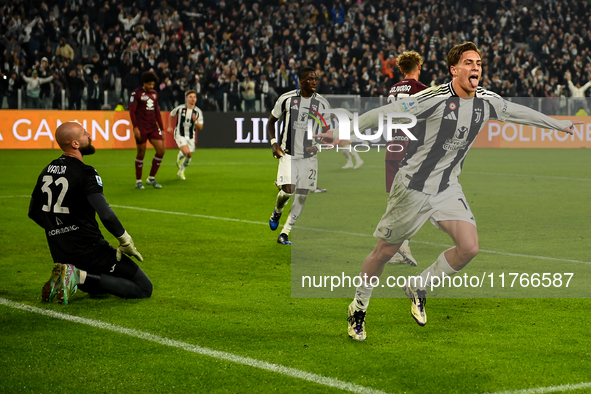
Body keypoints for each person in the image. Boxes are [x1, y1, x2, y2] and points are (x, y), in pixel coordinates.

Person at [319, 42, 574, 340]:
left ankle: (418, 285)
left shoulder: (487, 101)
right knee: (383, 253)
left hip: (447, 188)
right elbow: (385, 112)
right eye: (468, 62)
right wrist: (342, 133)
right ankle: (358, 307)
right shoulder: (433, 98)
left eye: (478, 62)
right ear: (454, 70)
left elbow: (520, 113)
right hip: (412, 187)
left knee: (469, 247)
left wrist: (558, 124)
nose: (475, 67)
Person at [28, 121, 152, 305]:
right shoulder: (86, 173)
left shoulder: (47, 170)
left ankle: (72, 275)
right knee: (144, 288)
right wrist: (125, 240)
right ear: (75, 144)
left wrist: (59, 230)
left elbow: (33, 212)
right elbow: (106, 214)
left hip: (61, 254)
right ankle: (78, 277)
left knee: (99, 291)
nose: (89, 135)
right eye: (85, 133)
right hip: (91, 250)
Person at [267, 66, 330, 245]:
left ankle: (285, 233)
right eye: (310, 79)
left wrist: (317, 145)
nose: (314, 82)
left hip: (309, 158)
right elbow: (271, 121)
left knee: (302, 196)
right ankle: (277, 211)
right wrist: (274, 143)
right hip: (288, 154)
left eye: (316, 79)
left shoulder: (322, 103)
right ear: (300, 81)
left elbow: (326, 131)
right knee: (288, 191)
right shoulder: (286, 99)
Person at [383, 50, 429, 267]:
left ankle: (395, 249)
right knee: (416, 200)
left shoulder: (393, 89)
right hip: (411, 151)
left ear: (401, 69)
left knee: (396, 200)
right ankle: (403, 245)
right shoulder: (421, 90)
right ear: (419, 66)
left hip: (392, 147)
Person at [129, 71, 165, 189]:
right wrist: (135, 127)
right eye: (149, 84)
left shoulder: (154, 94)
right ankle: (138, 181)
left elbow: (157, 112)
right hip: (141, 127)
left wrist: (162, 128)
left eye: (152, 84)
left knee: (161, 150)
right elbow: (132, 112)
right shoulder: (136, 94)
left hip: (153, 127)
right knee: (141, 153)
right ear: (144, 83)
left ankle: (151, 178)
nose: (151, 87)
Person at [167, 90, 204, 180]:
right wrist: (169, 127)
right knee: (186, 152)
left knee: (189, 155)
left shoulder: (198, 112)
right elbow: (171, 115)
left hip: (191, 136)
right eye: (190, 97)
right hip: (180, 134)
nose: (193, 99)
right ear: (186, 99)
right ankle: (181, 155)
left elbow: (200, 127)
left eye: (194, 97)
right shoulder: (180, 108)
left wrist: (195, 121)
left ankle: (181, 171)